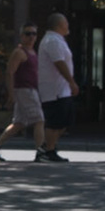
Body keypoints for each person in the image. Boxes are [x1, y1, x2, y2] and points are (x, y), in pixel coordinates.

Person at [0, 24, 45, 157]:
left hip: (31, 89)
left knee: (19, 123)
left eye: (34, 34)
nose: (31, 37)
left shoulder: (33, 52)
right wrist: (11, 94)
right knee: (39, 120)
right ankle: (41, 152)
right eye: (28, 34)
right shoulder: (19, 52)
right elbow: (10, 73)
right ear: (22, 36)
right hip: (24, 90)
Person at [35, 12, 76, 162]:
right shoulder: (52, 40)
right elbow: (59, 63)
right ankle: (48, 150)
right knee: (55, 120)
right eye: (66, 23)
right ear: (59, 25)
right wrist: (71, 81)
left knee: (65, 120)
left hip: (62, 89)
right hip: (55, 90)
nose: (68, 26)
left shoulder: (59, 40)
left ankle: (47, 146)